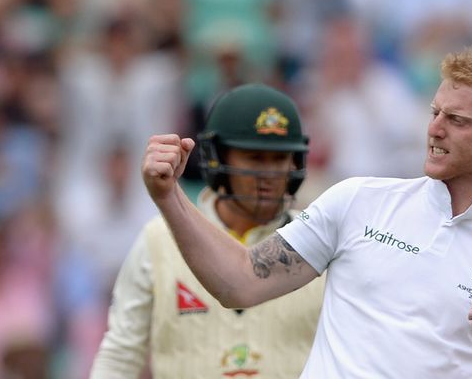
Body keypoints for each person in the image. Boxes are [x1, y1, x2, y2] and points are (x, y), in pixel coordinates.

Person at [141, 47, 472, 378]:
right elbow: (240, 282)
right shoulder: (358, 200)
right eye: (435, 112)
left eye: (457, 119)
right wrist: (168, 196)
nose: (435, 128)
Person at [90, 84, 325, 378]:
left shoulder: (320, 242)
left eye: (278, 159)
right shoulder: (159, 240)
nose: (269, 175)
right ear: (218, 159)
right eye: (254, 158)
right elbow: (120, 356)